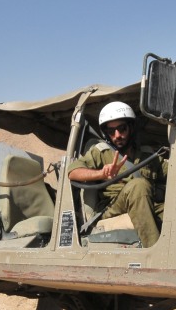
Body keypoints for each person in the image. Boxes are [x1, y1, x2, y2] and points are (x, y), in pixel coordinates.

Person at [67, 101, 167, 247]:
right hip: (113, 207)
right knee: (138, 186)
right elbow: (73, 172)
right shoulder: (101, 152)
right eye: (111, 131)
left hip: (147, 202)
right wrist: (101, 174)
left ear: (131, 128)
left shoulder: (148, 155)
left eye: (122, 129)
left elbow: (175, 172)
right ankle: (154, 252)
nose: (117, 135)